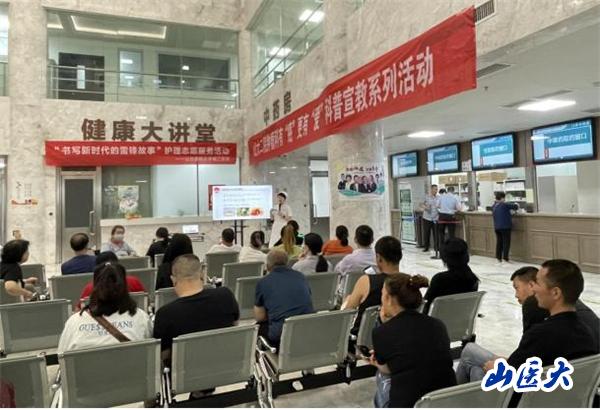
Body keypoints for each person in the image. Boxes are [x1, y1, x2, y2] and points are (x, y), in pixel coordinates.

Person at [456, 259, 598, 384]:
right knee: (475, 369)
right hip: (566, 397)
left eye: (538, 283)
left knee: (472, 358)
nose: (534, 288)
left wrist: (496, 368)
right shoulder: (586, 333)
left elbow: (513, 372)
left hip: (530, 397)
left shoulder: (540, 334)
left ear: (555, 293)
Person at [370, 274, 456, 408]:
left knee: (382, 375)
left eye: (382, 294)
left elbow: (387, 369)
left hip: (408, 405)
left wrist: (384, 323)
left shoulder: (381, 332)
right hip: (443, 402)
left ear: (388, 299)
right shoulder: (437, 324)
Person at [153, 254, 239, 360]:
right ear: (202, 274)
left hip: (186, 369)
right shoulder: (226, 295)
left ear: (173, 280)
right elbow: (235, 327)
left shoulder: (165, 314)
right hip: (228, 365)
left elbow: (161, 356)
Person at [58, 262, 152, 354]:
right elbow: (149, 353)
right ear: (124, 286)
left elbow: (62, 357)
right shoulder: (141, 318)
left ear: (94, 287)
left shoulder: (73, 323)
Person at [512, 266, 599, 349]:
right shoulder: (566, 298)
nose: (516, 295)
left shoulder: (533, 303)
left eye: (517, 288)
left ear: (531, 285)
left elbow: (527, 347)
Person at [343, 236, 404, 335]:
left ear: (379, 258)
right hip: (398, 336)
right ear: (400, 256)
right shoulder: (409, 282)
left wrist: (346, 302)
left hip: (363, 338)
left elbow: (347, 313)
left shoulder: (366, 281)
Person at [254, 250, 314, 348]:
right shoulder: (301, 276)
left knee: (257, 327)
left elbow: (260, 317)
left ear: (267, 266)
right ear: (287, 263)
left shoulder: (263, 282)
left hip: (281, 335)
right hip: (307, 329)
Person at [422, 238, 479, 314]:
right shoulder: (473, 279)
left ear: (445, 258)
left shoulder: (439, 279)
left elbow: (425, 305)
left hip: (439, 320)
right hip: (463, 320)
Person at [79, 252, 146, 307]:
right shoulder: (134, 281)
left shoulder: (90, 288)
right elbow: (145, 301)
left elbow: (79, 309)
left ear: (97, 269)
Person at [492, 192, 519, 264]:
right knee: (506, 242)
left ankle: (498, 258)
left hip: (497, 227)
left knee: (499, 242)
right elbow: (516, 206)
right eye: (504, 198)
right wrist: (516, 204)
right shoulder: (504, 204)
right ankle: (505, 259)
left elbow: (502, 213)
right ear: (502, 198)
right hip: (505, 227)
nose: (504, 199)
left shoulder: (494, 205)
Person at [435, 187, 462, 254]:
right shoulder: (455, 197)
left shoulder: (441, 196)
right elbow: (459, 208)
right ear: (453, 191)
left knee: (441, 234)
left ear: (447, 191)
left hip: (442, 216)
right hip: (451, 216)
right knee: (451, 234)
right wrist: (452, 209)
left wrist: (443, 207)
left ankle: (441, 249)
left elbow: (437, 205)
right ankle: (451, 249)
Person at [421, 184, 439, 253]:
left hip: (435, 218)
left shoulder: (438, 197)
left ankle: (436, 247)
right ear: (431, 189)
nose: (436, 191)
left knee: (436, 234)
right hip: (427, 218)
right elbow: (421, 204)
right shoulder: (426, 197)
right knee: (426, 233)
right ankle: (426, 247)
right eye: (435, 189)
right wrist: (425, 207)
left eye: (437, 189)